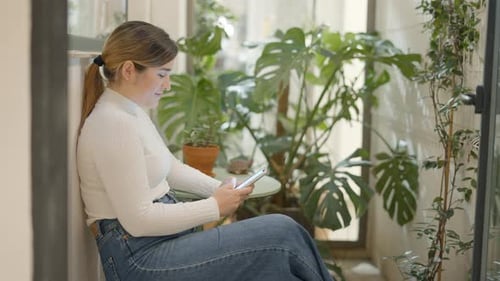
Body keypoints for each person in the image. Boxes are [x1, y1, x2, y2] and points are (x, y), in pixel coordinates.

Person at [77, 20, 334, 281]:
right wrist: (214, 206)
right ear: (129, 70)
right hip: (139, 258)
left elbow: (171, 168)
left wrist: (219, 190)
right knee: (283, 232)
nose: (167, 86)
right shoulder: (112, 123)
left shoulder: (129, 112)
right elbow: (139, 220)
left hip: (155, 244)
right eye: (162, 75)